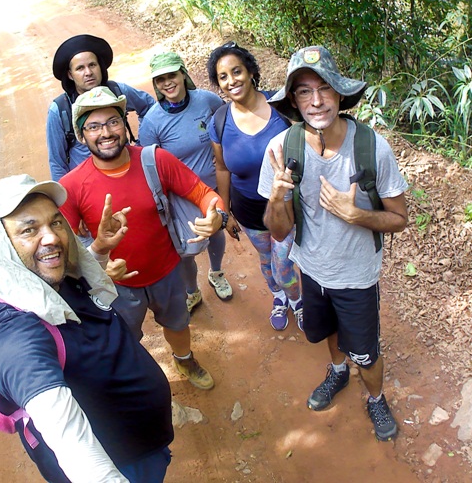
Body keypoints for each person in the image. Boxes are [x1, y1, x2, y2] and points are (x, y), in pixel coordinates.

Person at [0, 174, 174, 482]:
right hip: (119, 465)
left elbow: (73, 276)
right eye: (29, 229)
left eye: (55, 223)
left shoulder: (41, 279)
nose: (52, 237)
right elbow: (65, 431)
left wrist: (99, 250)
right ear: (2, 244)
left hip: (140, 445)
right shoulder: (14, 334)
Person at [257, 46, 408, 442]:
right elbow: (277, 232)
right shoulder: (280, 150)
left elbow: (400, 218)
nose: (317, 100)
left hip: (357, 275)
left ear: (340, 94)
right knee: (326, 331)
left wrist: (357, 214)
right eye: (305, 91)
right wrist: (276, 198)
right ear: (293, 100)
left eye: (324, 88)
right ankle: (338, 371)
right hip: (311, 268)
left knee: (367, 351)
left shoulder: (372, 147)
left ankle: (375, 396)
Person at [60, 86, 229, 390]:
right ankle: (138, 378)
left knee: (178, 325)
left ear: (125, 125)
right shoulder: (71, 186)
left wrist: (215, 215)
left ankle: (184, 358)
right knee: (125, 338)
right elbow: (66, 250)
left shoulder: (155, 160)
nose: (106, 132)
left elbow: (203, 193)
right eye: (94, 126)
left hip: (167, 271)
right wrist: (95, 268)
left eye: (113, 121)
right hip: (115, 286)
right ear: (82, 137)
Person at [206, 42, 303, 330]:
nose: (231, 80)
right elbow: (221, 168)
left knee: (283, 262)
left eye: (236, 71)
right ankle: (278, 298)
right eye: (223, 76)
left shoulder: (282, 106)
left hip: (287, 206)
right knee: (265, 258)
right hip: (248, 209)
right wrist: (226, 212)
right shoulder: (220, 121)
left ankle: (297, 301)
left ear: (250, 72)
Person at [138, 51, 233, 311]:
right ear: (156, 85)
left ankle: (216, 272)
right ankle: (192, 291)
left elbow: (228, 124)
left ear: (183, 74)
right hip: (178, 197)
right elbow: (147, 164)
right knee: (185, 246)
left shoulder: (207, 101)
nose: (168, 83)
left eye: (172, 75)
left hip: (211, 189)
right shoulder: (152, 121)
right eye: (160, 80)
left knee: (215, 233)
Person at [47, 34, 155, 181]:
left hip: (129, 173)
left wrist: (143, 146)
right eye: (80, 68)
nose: (88, 72)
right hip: (87, 185)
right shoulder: (60, 110)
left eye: (92, 65)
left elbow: (149, 107)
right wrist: (65, 199)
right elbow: (57, 162)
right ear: (70, 75)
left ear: (100, 66)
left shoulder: (118, 91)